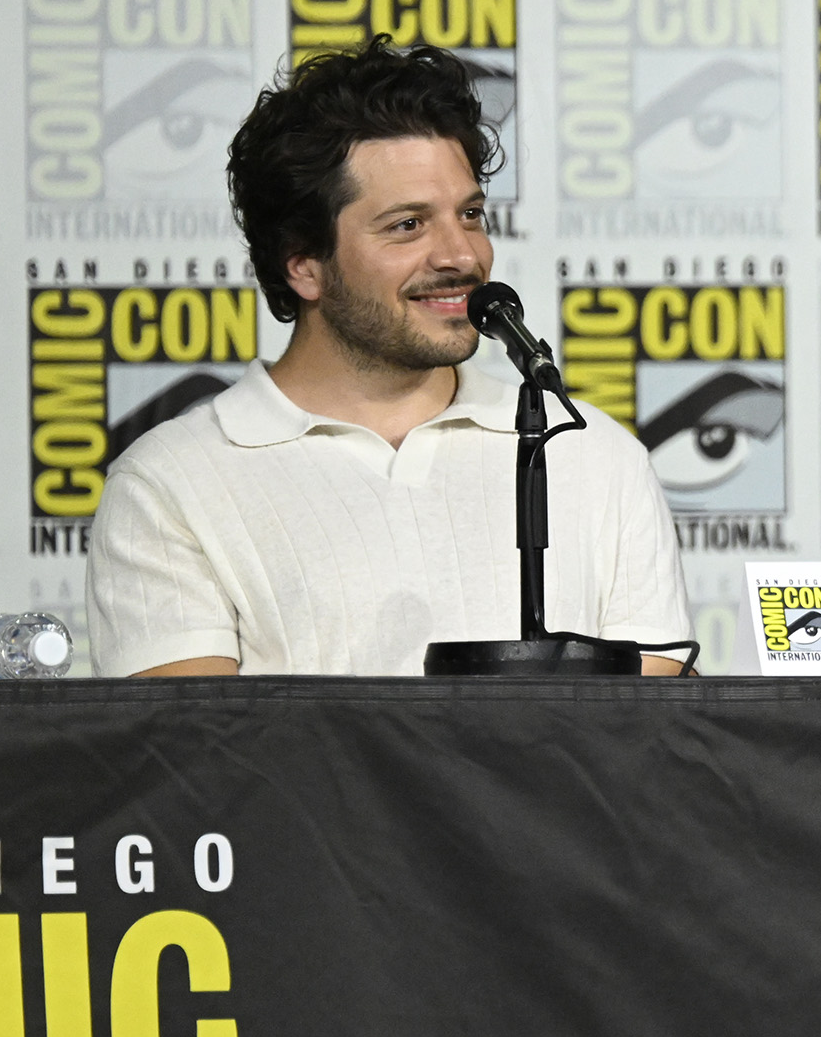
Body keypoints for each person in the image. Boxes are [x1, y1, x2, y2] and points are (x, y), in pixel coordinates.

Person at [88, 39, 690, 676]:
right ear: (304, 265)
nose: (463, 255)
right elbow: (194, 738)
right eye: (408, 225)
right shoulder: (170, 484)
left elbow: (654, 725)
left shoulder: (594, 454)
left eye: (470, 214)